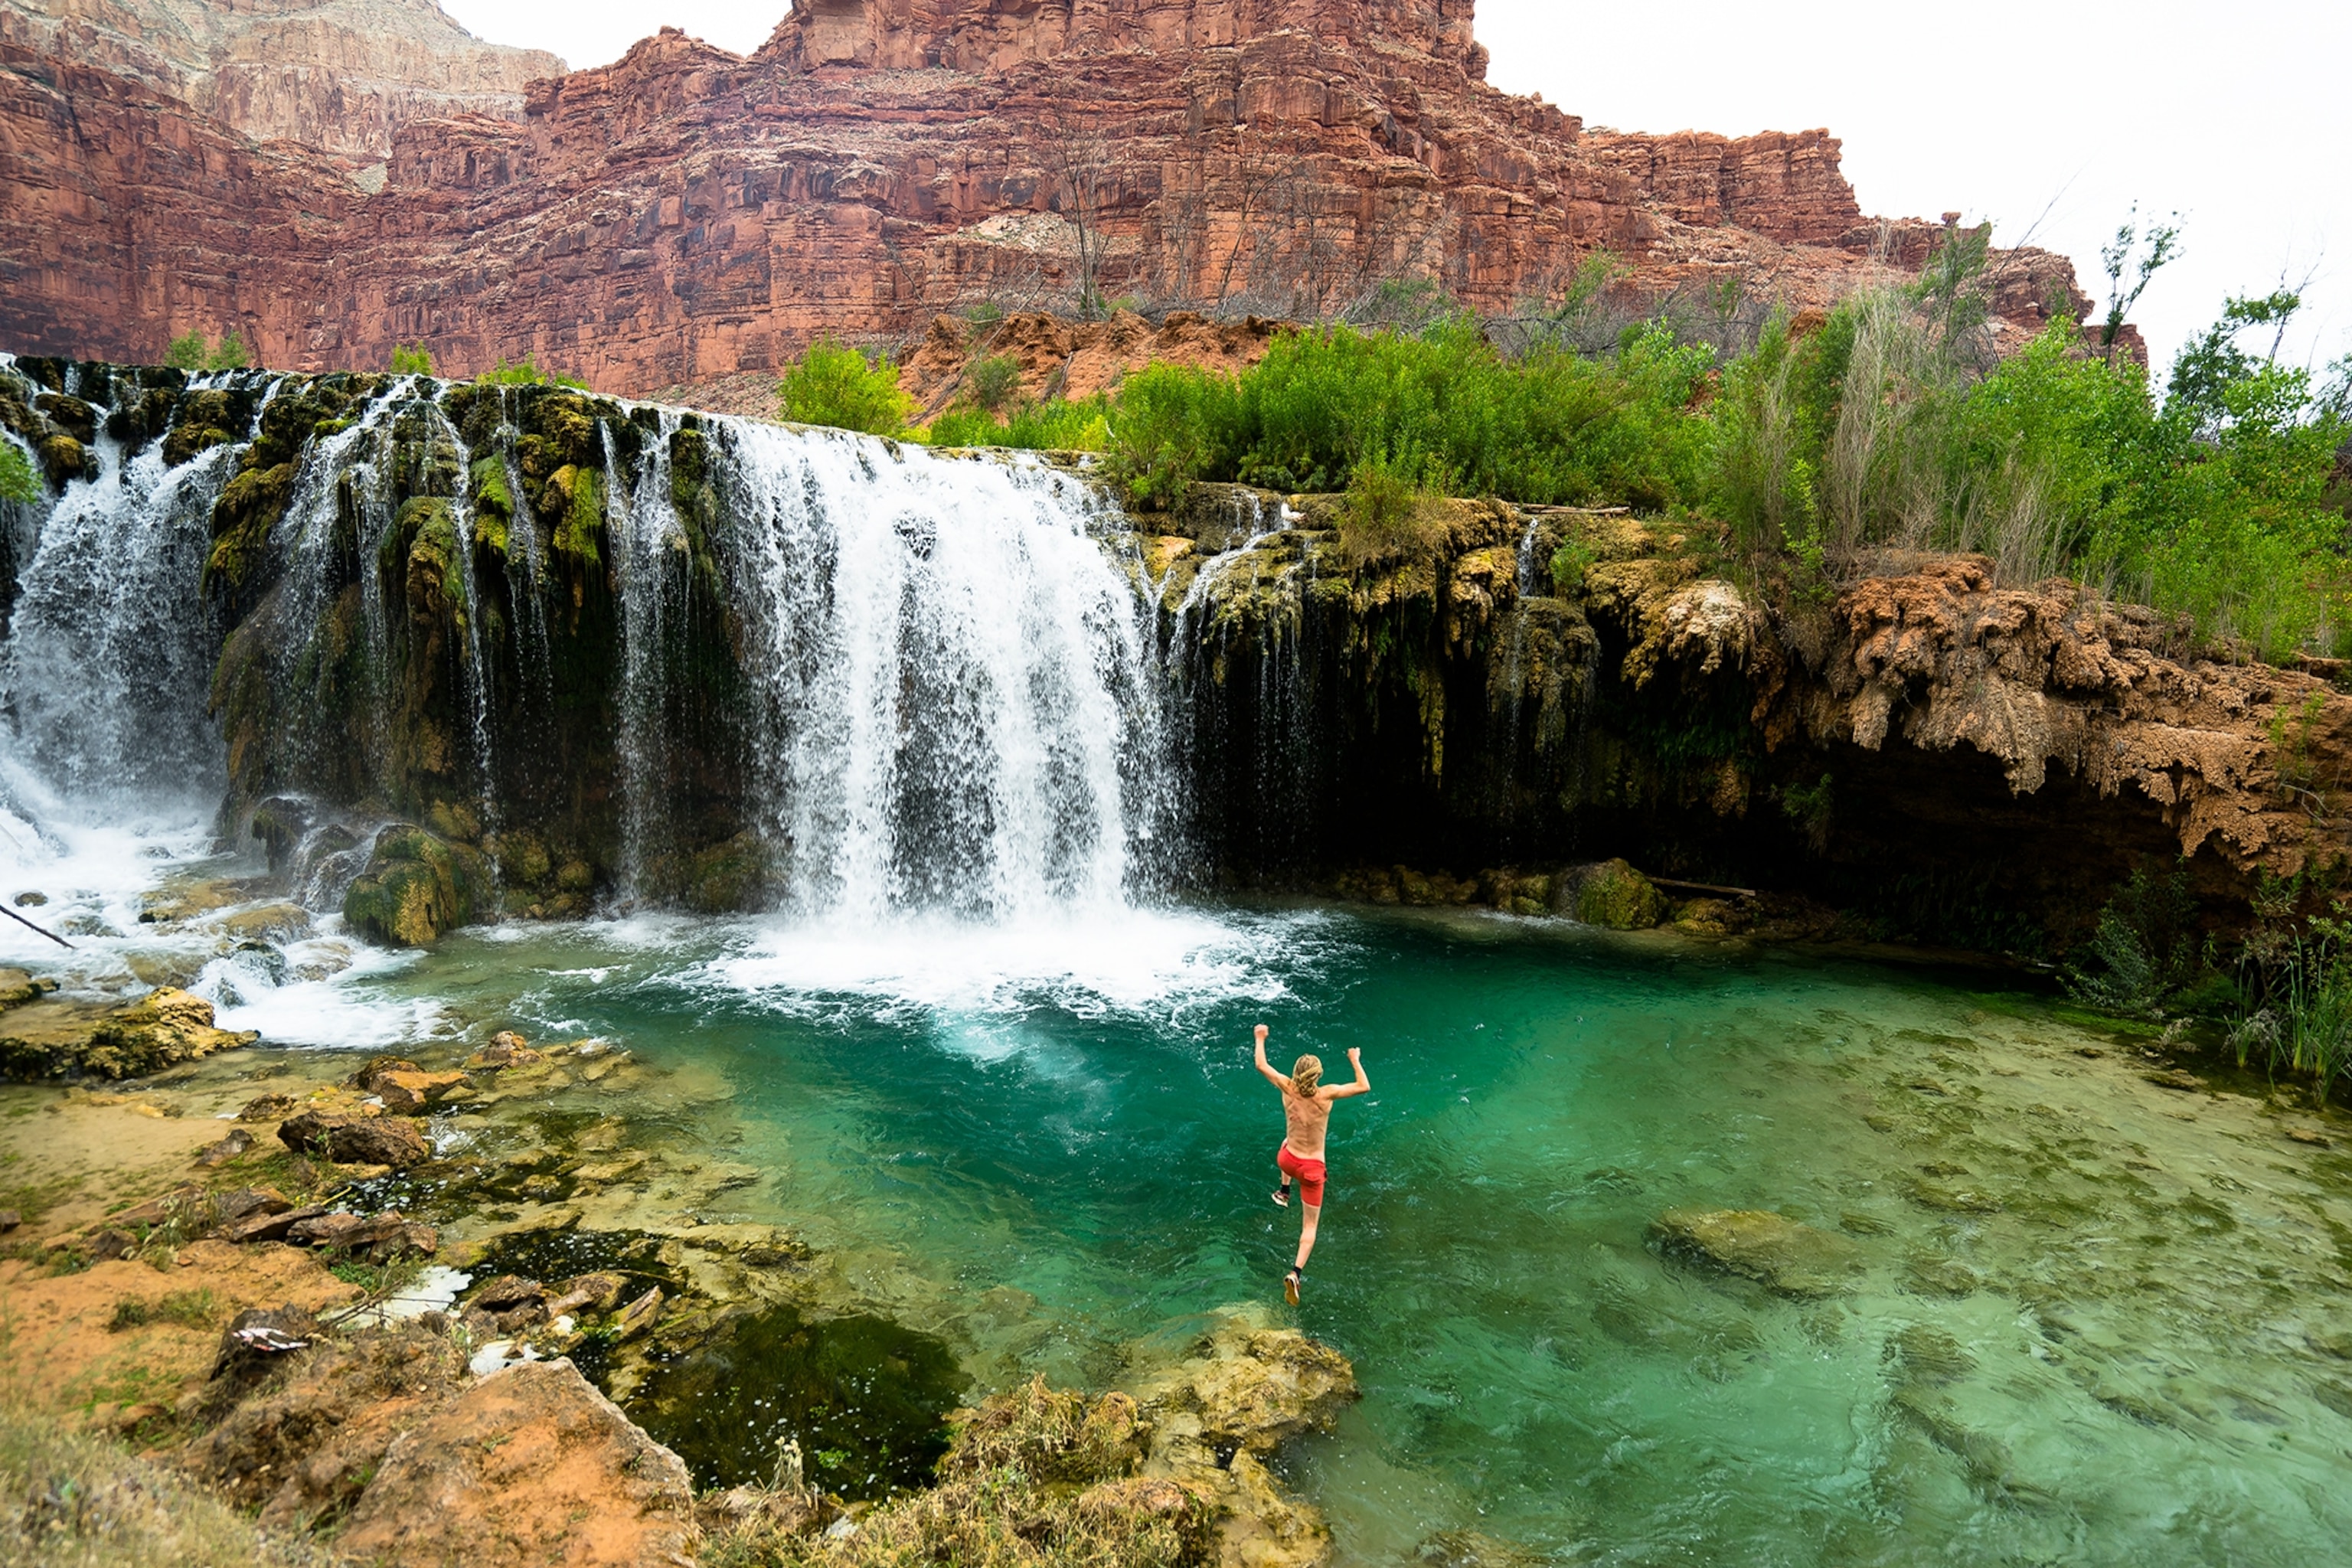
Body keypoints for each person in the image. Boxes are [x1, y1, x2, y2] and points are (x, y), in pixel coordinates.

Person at [1253, 1023, 1368, 1305]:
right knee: (1309, 1228)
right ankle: (1295, 1273)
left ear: (1296, 1071)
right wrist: (1355, 1060)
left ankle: (1283, 1191)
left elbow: (1260, 1064)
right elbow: (1364, 1086)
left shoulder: (1286, 1086)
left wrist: (1260, 1038)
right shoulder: (1326, 1094)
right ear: (1318, 1075)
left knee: (1286, 1141)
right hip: (1312, 1170)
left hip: (1288, 1160)